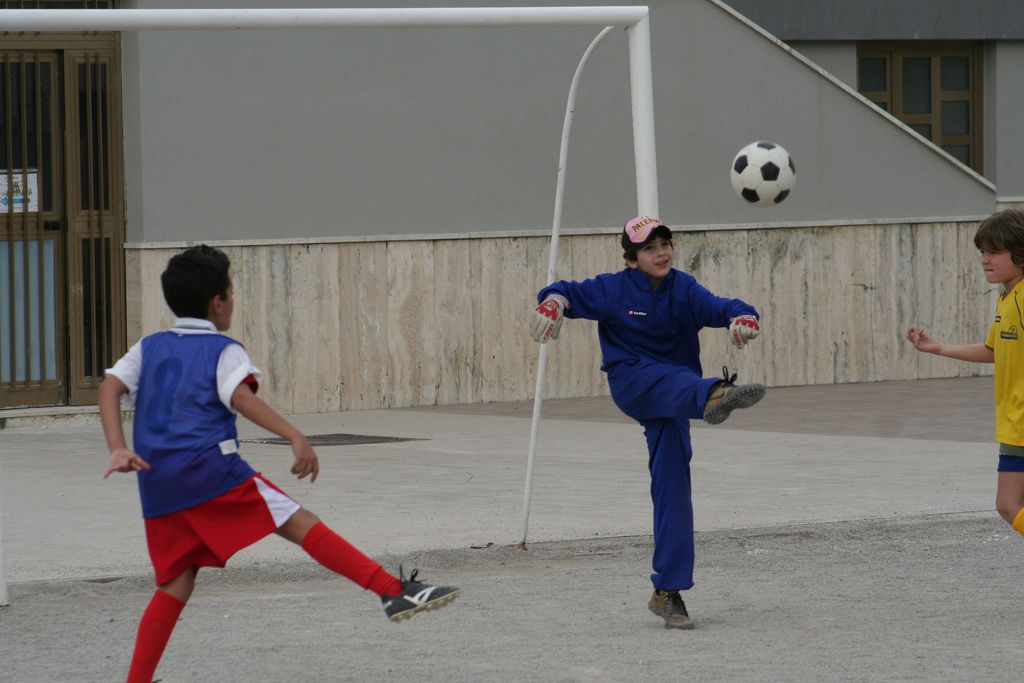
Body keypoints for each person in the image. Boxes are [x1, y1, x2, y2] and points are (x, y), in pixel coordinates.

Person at [99, 245, 458, 682]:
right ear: (218, 302)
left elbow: (109, 387)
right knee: (301, 522)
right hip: (211, 472)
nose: (233, 300)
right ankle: (391, 591)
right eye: (231, 292)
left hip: (158, 484)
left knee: (177, 580)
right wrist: (293, 434)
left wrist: (117, 447)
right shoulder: (222, 350)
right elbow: (241, 397)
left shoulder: (148, 346)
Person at [529, 215, 766, 629]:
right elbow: (564, 291)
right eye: (650, 248)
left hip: (675, 398)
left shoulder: (684, 288)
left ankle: (668, 592)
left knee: (674, 488)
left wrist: (743, 317)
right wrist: (552, 304)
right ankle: (715, 394)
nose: (661, 253)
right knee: (681, 383)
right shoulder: (614, 288)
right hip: (634, 382)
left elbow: (723, 306)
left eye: (665, 245)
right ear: (631, 259)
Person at [907, 208, 1024, 541]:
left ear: (1020, 255)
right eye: (982, 252)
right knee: (1011, 504)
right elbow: (994, 350)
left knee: (1008, 503)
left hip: (1021, 422)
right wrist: (938, 348)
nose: (985, 260)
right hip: (1014, 421)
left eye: (995, 252)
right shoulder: (1008, 295)